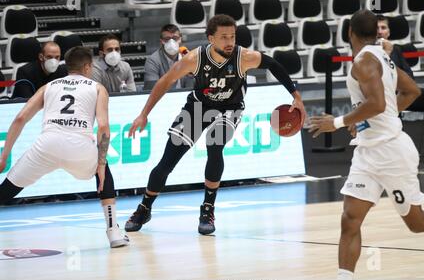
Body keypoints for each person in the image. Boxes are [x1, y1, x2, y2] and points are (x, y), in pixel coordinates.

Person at [125, 14, 306, 235]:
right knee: (168, 160)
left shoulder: (244, 57)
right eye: (223, 37)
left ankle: (207, 209)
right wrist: (143, 114)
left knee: (215, 144)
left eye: (232, 36)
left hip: (230, 108)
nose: (230, 42)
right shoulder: (194, 59)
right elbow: (164, 82)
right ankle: (145, 207)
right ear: (211, 38)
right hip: (199, 107)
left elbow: (275, 65)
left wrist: (296, 96)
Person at [308, 10, 424, 280]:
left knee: (418, 223)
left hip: (391, 152)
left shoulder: (364, 61)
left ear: (349, 31)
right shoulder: (384, 56)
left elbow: (378, 104)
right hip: (367, 151)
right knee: (350, 218)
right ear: (376, 33)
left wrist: (337, 122)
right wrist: (363, 121)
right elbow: (411, 92)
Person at [0, 46, 129, 248]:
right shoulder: (97, 87)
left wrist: (4, 155)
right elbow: (103, 127)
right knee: (103, 173)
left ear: (66, 65)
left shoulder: (49, 86)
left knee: (7, 190)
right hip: (80, 146)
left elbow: (20, 118)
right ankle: (113, 232)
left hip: (47, 145)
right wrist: (101, 164)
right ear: (88, 67)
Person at [377, 15, 424, 161]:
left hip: (406, 94)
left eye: (383, 28)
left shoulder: (396, 50)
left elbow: (409, 77)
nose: (380, 31)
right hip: (384, 99)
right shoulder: (369, 53)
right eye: (376, 28)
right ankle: (396, 149)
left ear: (388, 32)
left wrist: (390, 56)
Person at [144, 24, 195, 91]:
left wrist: (190, 69)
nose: (171, 42)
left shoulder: (187, 57)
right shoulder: (152, 61)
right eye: (167, 39)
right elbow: (151, 89)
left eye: (175, 38)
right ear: (161, 41)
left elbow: (194, 87)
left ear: (180, 39)